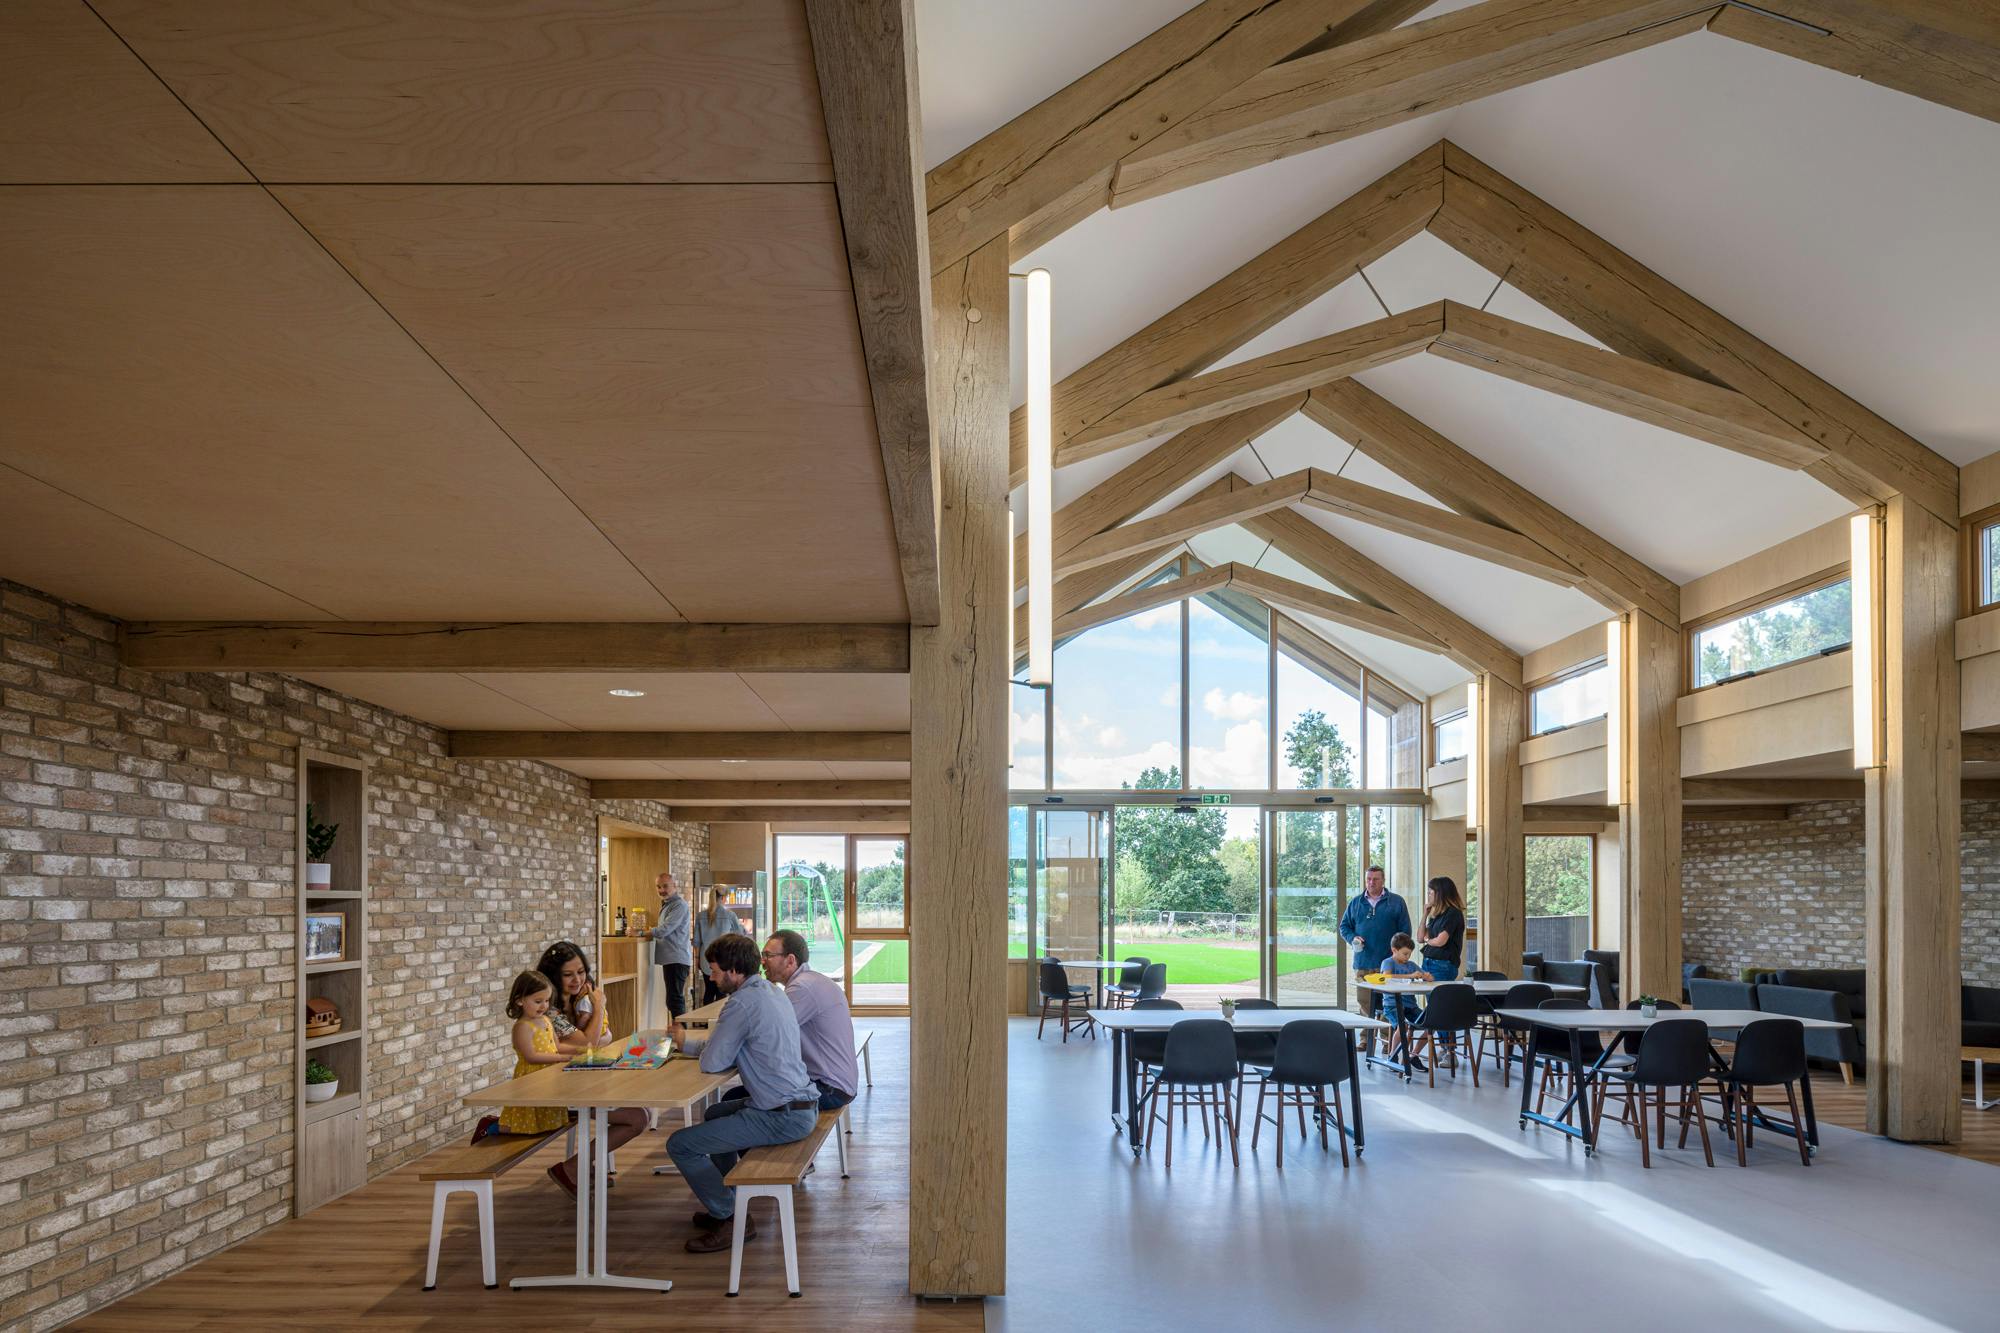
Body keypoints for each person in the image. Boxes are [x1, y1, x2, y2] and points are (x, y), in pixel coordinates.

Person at [665, 935, 820, 1254]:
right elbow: (730, 1049)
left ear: (733, 970)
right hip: (800, 1105)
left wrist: (692, 1045)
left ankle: (730, 1215)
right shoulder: (769, 992)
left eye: (714, 970)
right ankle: (725, 1201)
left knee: (680, 1144)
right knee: (715, 1113)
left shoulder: (741, 1003)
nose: (711, 977)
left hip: (781, 1116)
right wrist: (689, 1044)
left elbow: (713, 1062)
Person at [492, 971, 647, 1198]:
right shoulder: (523, 1027)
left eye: (546, 1001)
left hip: (560, 1082)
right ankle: (572, 1167)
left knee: (638, 1114)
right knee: (637, 1117)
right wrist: (565, 1058)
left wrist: (580, 1051)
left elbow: (557, 1047)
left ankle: (578, 1166)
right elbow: (533, 1056)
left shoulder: (546, 1020)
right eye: (538, 1001)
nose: (544, 1006)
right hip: (546, 1089)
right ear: (519, 1000)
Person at [757, 930, 859, 1110]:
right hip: (838, 1084)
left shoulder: (802, 988)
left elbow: (768, 1035)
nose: (762, 961)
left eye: (768, 955)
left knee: (738, 1099)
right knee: (746, 1093)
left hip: (829, 1088)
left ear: (790, 960)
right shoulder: (810, 981)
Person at [1338, 865, 1411, 1023]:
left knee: (1388, 1003)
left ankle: (1386, 1037)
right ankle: (1366, 1037)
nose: (1371, 882)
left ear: (1383, 881)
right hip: (1363, 962)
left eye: (1376, 879)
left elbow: (1405, 933)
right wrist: (1353, 938)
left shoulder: (1396, 902)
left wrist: (1398, 956)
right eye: (1368, 879)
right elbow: (1344, 927)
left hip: (1389, 964)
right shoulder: (1356, 903)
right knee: (1365, 1002)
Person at [537, 940, 610, 1052]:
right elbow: (589, 1044)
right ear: (553, 977)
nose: (577, 980)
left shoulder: (578, 998)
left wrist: (597, 1040)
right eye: (567, 974)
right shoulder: (548, 1010)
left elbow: (607, 1034)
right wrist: (599, 1005)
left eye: (581, 972)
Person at [692, 886, 746, 1007]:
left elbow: (696, 941)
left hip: (705, 960)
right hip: (724, 960)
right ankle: (719, 1020)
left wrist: (696, 959)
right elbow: (740, 935)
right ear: (723, 898)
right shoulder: (730, 915)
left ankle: (704, 1021)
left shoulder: (700, 916)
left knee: (709, 991)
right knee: (722, 992)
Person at [1378, 933, 1427, 1063]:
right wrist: (1410, 976)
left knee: (1431, 1025)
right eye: (1405, 954)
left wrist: (1426, 976)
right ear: (1394, 950)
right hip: (1392, 1004)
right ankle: (1393, 1056)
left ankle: (1413, 1055)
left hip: (1411, 1005)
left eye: (1409, 954)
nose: (1407, 957)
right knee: (1403, 1026)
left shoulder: (1411, 965)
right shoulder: (1388, 962)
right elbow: (1386, 977)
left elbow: (1427, 976)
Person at [651, 871, 693, 1020]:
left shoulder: (678, 905)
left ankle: (682, 1035)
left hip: (677, 958)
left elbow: (664, 930)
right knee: (673, 1000)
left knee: (674, 1000)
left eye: (665, 886)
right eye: (658, 887)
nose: (661, 890)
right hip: (672, 959)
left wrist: (643, 932)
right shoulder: (668, 904)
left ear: (674, 886)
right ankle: (679, 1033)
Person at [1420, 876, 1466, 982]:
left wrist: (1428, 940)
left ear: (1440, 894)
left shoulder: (1453, 913)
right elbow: (1420, 938)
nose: (1428, 896)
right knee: (1431, 998)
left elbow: (1440, 941)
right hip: (1427, 963)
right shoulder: (1437, 915)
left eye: (1430, 893)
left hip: (1442, 965)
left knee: (1438, 997)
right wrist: (1425, 915)